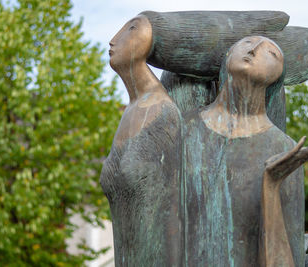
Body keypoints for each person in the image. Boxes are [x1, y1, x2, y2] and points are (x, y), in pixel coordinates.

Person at [183, 36, 308, 266]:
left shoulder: (284, 149)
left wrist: (270, 187)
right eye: (247, 42)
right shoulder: (182, 128)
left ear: (278, 75)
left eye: (271, 52)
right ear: (228, 55)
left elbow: (286, 260)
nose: (253, 48)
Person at [100, 15, 182, 266]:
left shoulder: (164, 113)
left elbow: (176, 208)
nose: (113, 41)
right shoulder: (131, 111)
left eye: (130, 30)